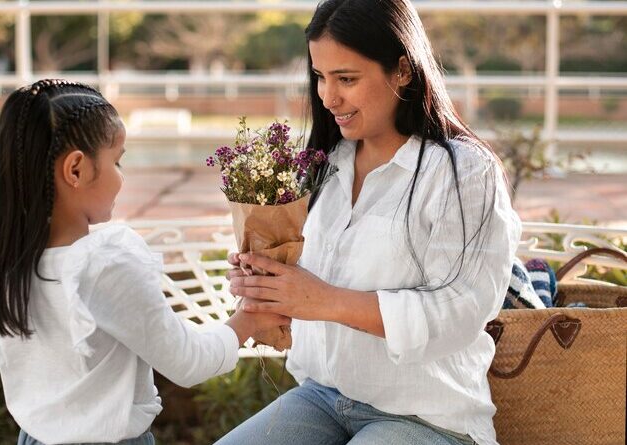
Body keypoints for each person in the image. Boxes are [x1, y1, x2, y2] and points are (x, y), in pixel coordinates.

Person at [217, 1, 521, 444]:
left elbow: (461, 311)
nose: (327, 97)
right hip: (322, 397)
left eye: (347, 78)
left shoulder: (462, 171)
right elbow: (305, 289)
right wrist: (266, 282)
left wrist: (323, 300)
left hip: (426, 415)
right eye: (320, 77)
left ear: (401, 70)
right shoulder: (322, 166)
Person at [0, 79, 288, 445]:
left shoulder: (1, 263)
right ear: (76, 169)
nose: (122, 177)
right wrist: (247, 320)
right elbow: (188, 362)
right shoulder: (101, 266)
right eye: (116, 160)